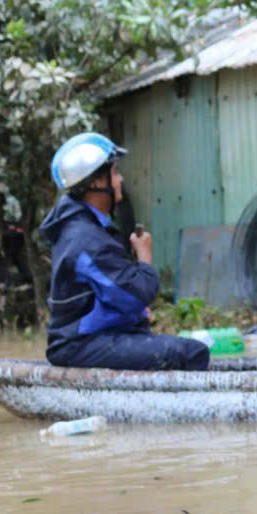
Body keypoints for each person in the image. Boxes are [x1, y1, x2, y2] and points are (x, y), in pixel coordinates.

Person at [42, 133, 209, 370]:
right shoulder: (87, 239)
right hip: (79, 344)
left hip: (90, 338)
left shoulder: (84, 228)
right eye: (115, 173)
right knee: (194, 353)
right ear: (95, 182)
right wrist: (145, 259)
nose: (120, 179)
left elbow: (114, 295)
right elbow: (136, 295)